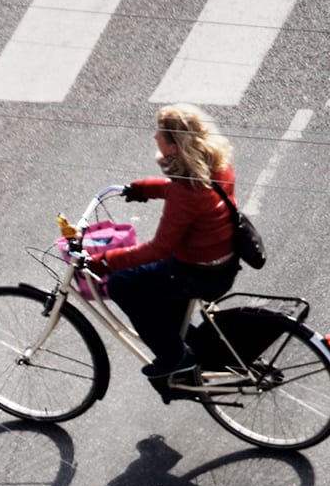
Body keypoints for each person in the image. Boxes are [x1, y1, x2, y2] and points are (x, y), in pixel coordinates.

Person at [85, 103, 240, 396]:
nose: (155, 136)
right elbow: (181, 189)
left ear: (173, 145)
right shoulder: (216, 165)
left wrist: (106, 261)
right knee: (155, 286)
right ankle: (188, 344)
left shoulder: (186, 193)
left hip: (197, 272)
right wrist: (143, 189)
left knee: (122, 284)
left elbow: (159, 248)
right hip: (221, 261)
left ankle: (175, 360)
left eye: (160, 134)